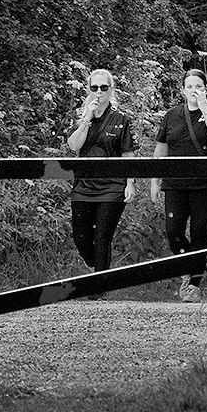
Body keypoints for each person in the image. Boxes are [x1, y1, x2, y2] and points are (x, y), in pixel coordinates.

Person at [150, 69, 207, 302]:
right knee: (173, 230)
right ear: (183, 90)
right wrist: (155, 181)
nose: (194, 90)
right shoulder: (172, 115)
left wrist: (205, 108)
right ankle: (189, 267)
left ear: (206, 88)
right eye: (189, 86)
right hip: (175, 183)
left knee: (198, 233)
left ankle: (194, 284)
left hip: (204, 185)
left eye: (199, 85)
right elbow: (161, 150)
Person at [66, 69, 138, 292]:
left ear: (111, 89)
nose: (99, 92)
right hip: (84, 185)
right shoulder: (81, 118)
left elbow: (129, 154)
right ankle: (96, 268)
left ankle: (98, 288)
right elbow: (74, 146)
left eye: (103, 88)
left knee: (102, 235)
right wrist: (86, 118)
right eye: (94, 87)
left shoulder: (122, 119)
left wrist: (130, 182)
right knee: (81, 238)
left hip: (113, 185)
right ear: (88, 89)